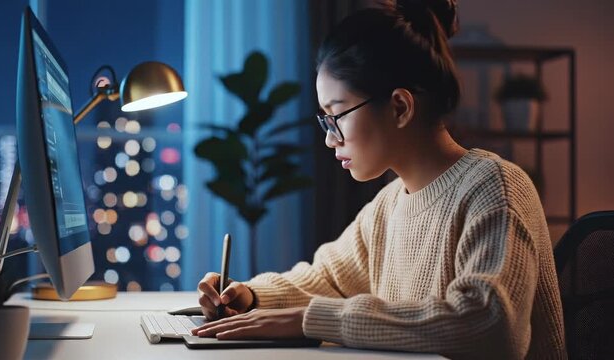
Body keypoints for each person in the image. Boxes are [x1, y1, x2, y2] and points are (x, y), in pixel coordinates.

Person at [192, 1, 566, 358]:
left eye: (336, 115)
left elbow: (489, 325)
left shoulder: (495, 188)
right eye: (325, 120)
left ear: (400, 107)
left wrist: (314, 321)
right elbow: (327, 280)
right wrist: (249, 296)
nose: (329, 137)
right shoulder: (390, 205)